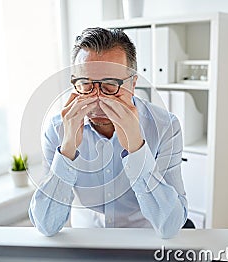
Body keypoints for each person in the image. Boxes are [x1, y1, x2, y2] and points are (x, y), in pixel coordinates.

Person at [29, 27, 188, 238]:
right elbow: (46, 225)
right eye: (85, 85)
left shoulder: (165, 127)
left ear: (133, 83)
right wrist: (67, 149)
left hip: (144, 243)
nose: (97, 99)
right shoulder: (58, 129)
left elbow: (170, 226)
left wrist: (136, 147)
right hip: (87, 244)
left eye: (110, 86)